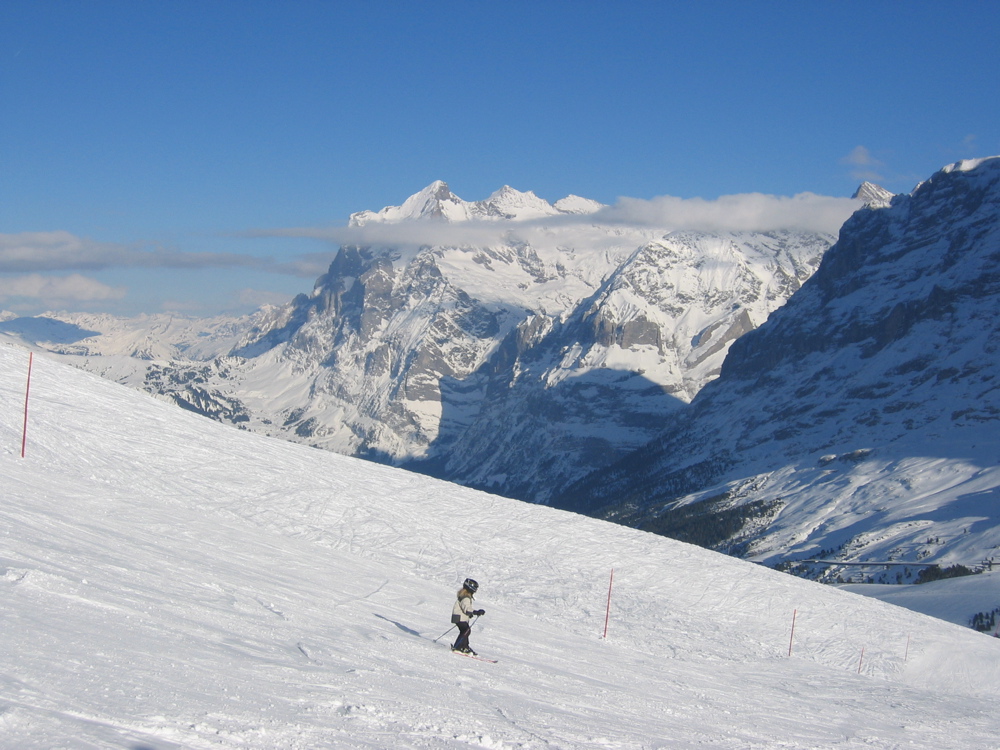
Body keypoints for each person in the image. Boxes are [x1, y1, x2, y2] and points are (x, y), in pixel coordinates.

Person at [451, 578, 485, 654]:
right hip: (459, 618)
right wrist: (475, 612)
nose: (475, 590)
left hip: (459, 617)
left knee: (465, 630)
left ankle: (464, 646)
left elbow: (464, 608)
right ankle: (458, 646)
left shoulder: (464, 596)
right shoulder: (466, 597)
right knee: (466, 630)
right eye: (475, 588)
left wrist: (469, 615)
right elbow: (467, 608)